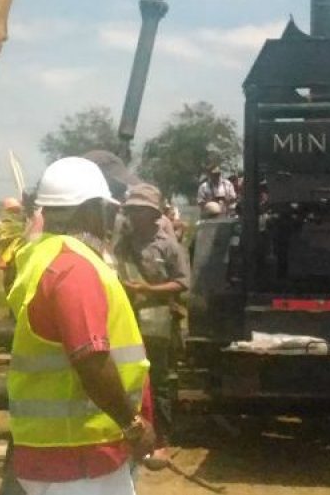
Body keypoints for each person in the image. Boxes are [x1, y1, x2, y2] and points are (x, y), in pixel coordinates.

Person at [1, 157, 154, 495]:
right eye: (108, 213)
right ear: (91, 211)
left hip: (56, 452)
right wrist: (132, 424)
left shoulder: (41, 258)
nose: (111, 223)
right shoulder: (75, 268)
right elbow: (90, 358)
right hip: (79, 459)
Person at [114, 183, 190, 464]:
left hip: (157, 322)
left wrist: (146, 289)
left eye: (139, 210)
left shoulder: (168, 245)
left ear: (152, 214)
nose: (134, 215)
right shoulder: (122, 243)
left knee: (158, 380)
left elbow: (183, 282)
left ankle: (161, 440)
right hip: (126, 320)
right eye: (131, 210)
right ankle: (132, 434)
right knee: (126, 377)